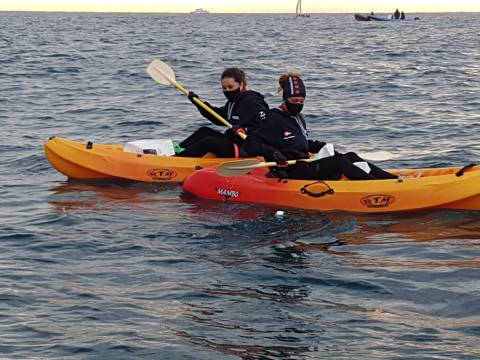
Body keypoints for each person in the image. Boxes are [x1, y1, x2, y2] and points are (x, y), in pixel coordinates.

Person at [243, 73, 397, 181]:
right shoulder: (273, 118)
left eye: (301, 101)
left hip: (305, 162)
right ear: (285, 99)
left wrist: (322, 146)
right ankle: (373, 186)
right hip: (292, 169)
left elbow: (301, 142)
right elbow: (250, 143)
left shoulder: (297, 117)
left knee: (349, 156)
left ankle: (393, 180)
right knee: (339, 162)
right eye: (294, 100)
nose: (297, 104)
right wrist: (274, 153)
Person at [175, 67, 268, 158]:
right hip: (234, 141)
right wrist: (198, 103)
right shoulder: (233, 102)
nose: (227, 91)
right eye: (224, 88)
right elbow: (219, 118)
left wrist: (246, 130)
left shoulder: (253, 101)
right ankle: (176, 152)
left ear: (242, 85)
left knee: (209, 142)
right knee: (204, 132)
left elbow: (266, 127)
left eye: (230, 87)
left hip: (247, 148)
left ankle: (176, 160)